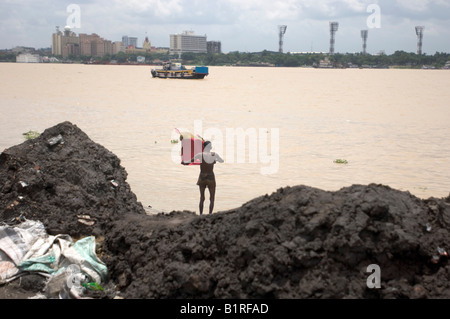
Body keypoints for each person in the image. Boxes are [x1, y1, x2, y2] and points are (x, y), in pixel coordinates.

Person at [186, 141, 224, 215]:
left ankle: (200, 214)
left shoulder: (200, 155)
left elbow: (188, 162)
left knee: (202, 198)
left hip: (202, 177)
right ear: (210, 147)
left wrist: (184, 161)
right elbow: (222, 161)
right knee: (212, 198)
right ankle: (210, 214)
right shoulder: (214, 154)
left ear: (203, 147)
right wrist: (215, 160)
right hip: (211, 177)